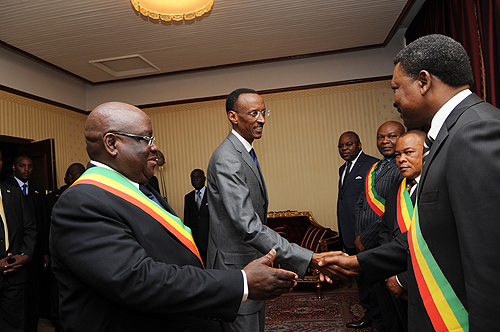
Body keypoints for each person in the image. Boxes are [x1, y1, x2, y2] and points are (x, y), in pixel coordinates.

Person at [50, 101, 301, 332]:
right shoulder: (81, 202)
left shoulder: (142, 188)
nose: (155, 147)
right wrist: (241, 283)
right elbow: (139, 280)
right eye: (146, 138)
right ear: (112, 143)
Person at [319, 34, 500, 331]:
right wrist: (358, 262)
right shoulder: (450, 134)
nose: (393, 99)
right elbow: (430, 233)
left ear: (423, 81)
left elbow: (490, 263)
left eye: (396, 88)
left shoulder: (476, 131)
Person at [206, 88, 346, 332]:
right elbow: (249, 226)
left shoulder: (244, 152)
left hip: (250, 263)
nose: (261, 119)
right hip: (236, 268)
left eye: (263, 112)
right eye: (253, 113)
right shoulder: (227, 157)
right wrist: (310, 258)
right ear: (233, 116)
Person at [347, 121, 404, 332]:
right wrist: (358, 235)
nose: (385, 141)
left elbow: (390, 211)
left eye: (391, 136)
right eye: (381, 137)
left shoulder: (401, 166)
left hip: (383, 242)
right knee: (375, 292)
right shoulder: (376, 167)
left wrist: (365, 239)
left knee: (390, 298)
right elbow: (361, 203)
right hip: (366, 241)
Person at [378, 130, 426, 332]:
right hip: (394, 274)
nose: (401, 160)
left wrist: (402, 279)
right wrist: (390, 272)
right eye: (398, 155)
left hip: (424, 280)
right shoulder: (396, 188)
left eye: (409, 153)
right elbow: (385, 230)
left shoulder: (435, 187)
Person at [4, 155, 50, 332]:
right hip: (14, 252)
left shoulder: (38, 192)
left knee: (33, 293)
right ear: (14, 168)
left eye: (30, 166)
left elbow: (42, 224)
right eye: (22, 166)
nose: (27, 169)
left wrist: (46, 252)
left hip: (35, 252)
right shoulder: (6, 189)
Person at [45, 162, 85, 332]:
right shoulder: (54, 198)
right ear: (69, 177)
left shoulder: (87, 193)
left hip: (82, 251)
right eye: (78, 173)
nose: (82, 176)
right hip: (61, 251)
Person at [0, 150, 37, 332]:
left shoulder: (13, 192)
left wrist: (24, 255)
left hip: (15, 277)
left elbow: (30, 228)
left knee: (15, 325)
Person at [337, 131, 378, 255]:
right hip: (347, 233)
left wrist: (366, 236)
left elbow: (376, 203)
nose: (344, 148)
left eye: (349, 144)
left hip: (364, 235)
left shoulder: (373, 164)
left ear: (359, 145)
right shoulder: (342, 169)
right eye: (341, 146)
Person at [184, 169, 210, 264]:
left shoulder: (211, 195)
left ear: (204, 178)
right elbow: (187, 220)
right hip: (195, 241)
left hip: (209, 240)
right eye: (193, 178)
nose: (196, 179)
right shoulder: (188, 197)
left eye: (198, 177)